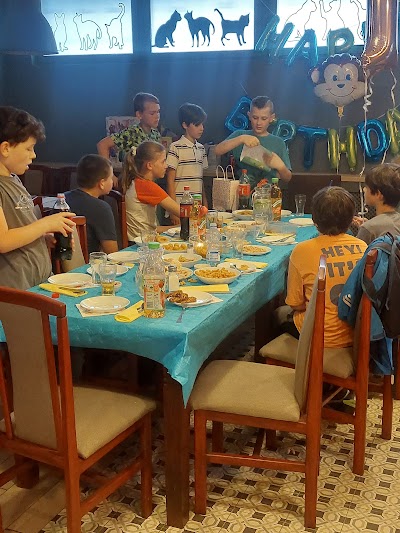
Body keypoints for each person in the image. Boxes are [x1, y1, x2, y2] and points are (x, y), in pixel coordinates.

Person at [0, 106, 76, 290]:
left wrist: (42, 237)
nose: (33, 155)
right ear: (5, 148)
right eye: (29, 148)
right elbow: (3, 241)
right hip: (15, 291)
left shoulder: (14, 179)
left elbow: (20, 227)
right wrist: (46, 224)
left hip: (36, 283)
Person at [285, 186, 367, 348]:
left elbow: (295, 304)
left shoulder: (302, 250)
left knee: (279, 318)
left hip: (317, 335)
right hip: (357, 334)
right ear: (351, 219)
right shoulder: (363, 247)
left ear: (314, 220)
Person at [215, 96, 292, 190]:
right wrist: (241, 139)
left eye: (263, 118)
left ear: (271, 118)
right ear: (249, 115)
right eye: (255, 118)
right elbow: (217, 150)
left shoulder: (278, 142)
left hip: (268, 194)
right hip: (242, 192)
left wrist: (281, 166)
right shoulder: (240, 134)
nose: (259, 123)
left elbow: (287, 178)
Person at [97, 92, 161, 186]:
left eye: (158, 112)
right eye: (152, 113)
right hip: (132, 184)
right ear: (139, 114)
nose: (157, 116)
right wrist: (110, 175)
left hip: (150, 183)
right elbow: (102, 145)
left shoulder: (156, 134)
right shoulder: (131, 132)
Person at [121, 140, 180, 241]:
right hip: (141, 243)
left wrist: (176, 227)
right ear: (149, 165)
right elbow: (183, 212)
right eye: (163, 161)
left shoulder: (134, 181)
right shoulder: (146, 186)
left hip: (138, 238)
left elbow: (149, 228)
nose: (166, 165)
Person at [65, 154, 118, 255]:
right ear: (101, 183)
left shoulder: (62, 199)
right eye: (111, 178)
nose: (112, 182)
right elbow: (112, 252)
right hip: (90, 262)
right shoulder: (102, 208)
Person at [166, 103, 208, 225]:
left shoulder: (201, 148)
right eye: (197, 124)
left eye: (202, 124)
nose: (201, 128)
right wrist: (173, 210)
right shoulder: (175, 147)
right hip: (180, 206)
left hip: (197, 207)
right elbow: (170, 180)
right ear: (185, 125)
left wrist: (205, 203)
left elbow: (200, 180)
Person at [353, 163, 400, 244]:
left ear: (378, 194)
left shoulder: (369, 228)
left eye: (367, 187)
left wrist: (367, 229)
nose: (364, 189)